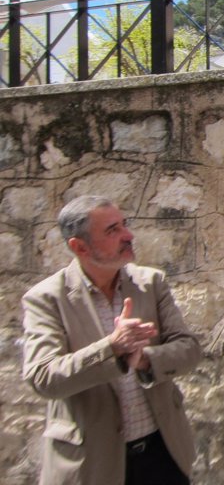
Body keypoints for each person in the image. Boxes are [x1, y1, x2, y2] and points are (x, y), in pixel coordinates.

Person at [22, 195, 202, 485]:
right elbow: (43, 377)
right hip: (90, 464)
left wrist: (144, 359)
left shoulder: (150, 283)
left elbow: (190, 349)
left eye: (124, 225)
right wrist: (111, 348)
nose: (128, 235)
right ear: (79, 247)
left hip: (162, 454)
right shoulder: (46, 300)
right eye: (112, 230)